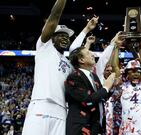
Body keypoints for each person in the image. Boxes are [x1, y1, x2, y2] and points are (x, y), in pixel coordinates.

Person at [22, 0, 98, 134]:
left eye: (67, 36)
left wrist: (86, 30)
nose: (65, 38)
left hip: (62, 111)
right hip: (41, 105)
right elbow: (54, 18)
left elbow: (80, 55)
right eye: (60, 35)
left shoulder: (68, 63)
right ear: (51, 38)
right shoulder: (44, 48)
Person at [65, 46, 116, 135]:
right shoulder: (74, 77)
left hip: (96, 126)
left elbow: (101, 97)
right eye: (88, 53)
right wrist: (106, 87)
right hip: (81, 127)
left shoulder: (94, 76)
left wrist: (112, 86)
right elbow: (87, 101)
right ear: (81, 60)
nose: (92, 54)